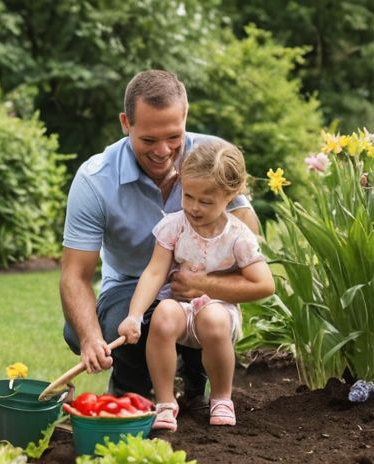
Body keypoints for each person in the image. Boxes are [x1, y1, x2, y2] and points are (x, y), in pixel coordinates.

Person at [60, 69, 260, 410]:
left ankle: (194, 385)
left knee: (205, 318)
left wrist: (206, 284)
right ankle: (131, 399)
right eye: (149, 140)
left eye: (173, 136)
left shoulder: (214, 158)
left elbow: (247, 245)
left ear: (185, 117)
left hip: (203, 288)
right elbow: (75, 275)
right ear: (126, 123)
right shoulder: (95, 180)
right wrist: (91, 337)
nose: (164, 151)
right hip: (129, 289)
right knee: (140, 323)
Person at [117, 141, 274, 431]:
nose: (194, 207)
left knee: (212, 317)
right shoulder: (174, 225)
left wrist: (208, 289)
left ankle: (221, 397)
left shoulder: (238, 236)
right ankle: (165, 403)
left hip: (218, 314)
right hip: (180, 309)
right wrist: (134, 315)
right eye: (188, 196)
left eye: (206, 201)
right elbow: (154, 272)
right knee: (163, 314)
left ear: (231, 195)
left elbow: (265, 285)